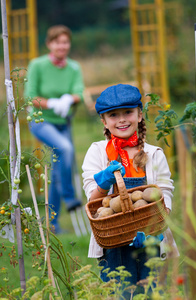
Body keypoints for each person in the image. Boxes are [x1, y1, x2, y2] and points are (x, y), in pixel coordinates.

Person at [82, 84, 179, 298]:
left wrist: (156, 232)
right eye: (113, 115)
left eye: (128, 112)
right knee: (120, 294)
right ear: (104, 121)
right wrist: (104, 182)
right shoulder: (97, 153)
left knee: (153, 293)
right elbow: (94, 203)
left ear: (140, 115)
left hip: (151, 241)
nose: (122, 119)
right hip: (112, 245)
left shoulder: (154, 154)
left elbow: (165, 195)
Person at [24, 25, 84, 234]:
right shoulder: (37, 65)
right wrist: (52, 104)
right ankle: (70, 197)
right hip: (41, 121)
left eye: (65, 42)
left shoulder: (74, 67)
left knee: (57, 171)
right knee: (66, 149)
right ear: (49, 44)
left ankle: (52, 224)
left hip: (63, 122)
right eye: (58, 42)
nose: (62, 46)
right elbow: (29, 97)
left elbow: (79, 93)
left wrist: (69, 99)